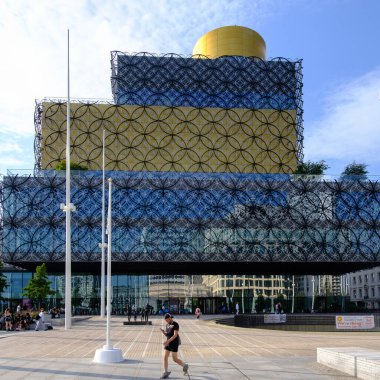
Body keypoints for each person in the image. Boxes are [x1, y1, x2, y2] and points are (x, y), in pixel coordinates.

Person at [160, 313, 189, 379]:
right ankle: (166, 372)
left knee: (175, 359)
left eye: (167, 320)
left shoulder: (175, 324)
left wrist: (167, 341)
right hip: (168, 343)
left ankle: (184, 365)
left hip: (174, 343)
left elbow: (175, 335)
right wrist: (164, 332)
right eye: (165, 320)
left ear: (170, 318)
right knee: (165, 357)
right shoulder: (167, 325)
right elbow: (168, 334)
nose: (166, 321)